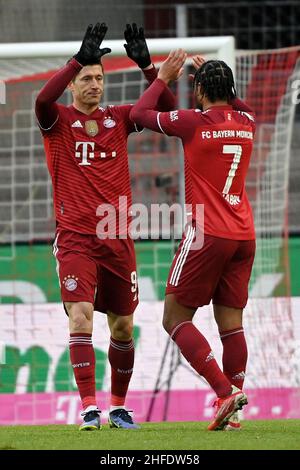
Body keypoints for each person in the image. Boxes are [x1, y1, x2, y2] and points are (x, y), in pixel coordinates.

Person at [35, 23, 175, 431]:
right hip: (76, 238)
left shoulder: (118, 119)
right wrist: (77, 58)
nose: (95, 84)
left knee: (123, 325)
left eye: (100, 78)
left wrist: (149, 67)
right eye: (87, 78)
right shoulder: (56, 120)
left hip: (118, 238)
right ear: (73, 85)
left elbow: (161, 108)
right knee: (80, 317)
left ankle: (117, 407)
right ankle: (89, 408)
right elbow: (42, 97)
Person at [130, 50, 256, 431]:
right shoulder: (247, 120)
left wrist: (161, 77)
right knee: (231, 324)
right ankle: (234, 411)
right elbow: (221, 109)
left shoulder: (194, 124)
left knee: (174, 317)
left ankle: (224, 392)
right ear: (231, 91)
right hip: (243, 234)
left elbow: (139, 115)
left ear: (199, 91)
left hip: (207, 234)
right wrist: (216, 82)